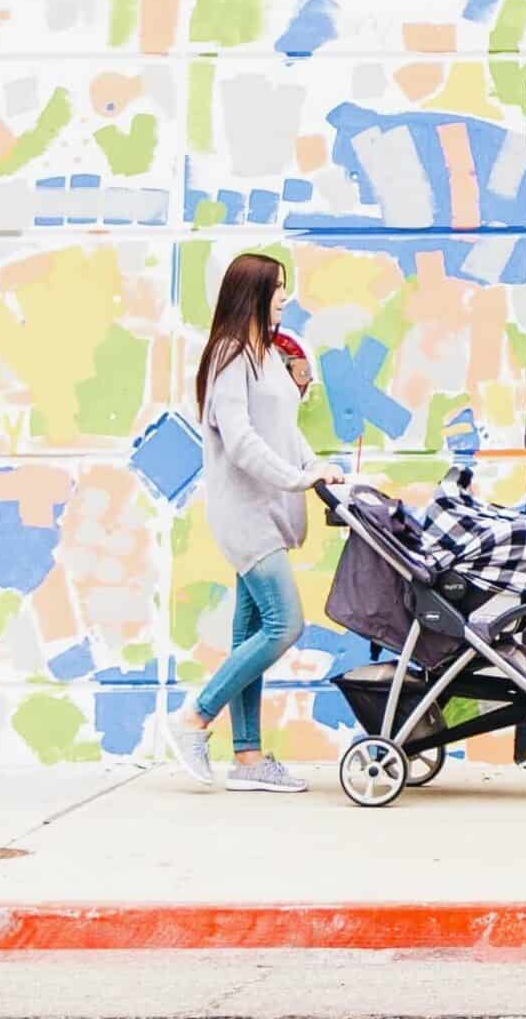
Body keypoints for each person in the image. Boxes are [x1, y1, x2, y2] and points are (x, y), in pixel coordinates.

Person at [169, 250, 336, 793]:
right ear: (255, 292)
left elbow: (284, 427)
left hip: (269, 509)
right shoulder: (229, 356)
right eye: (279, 288)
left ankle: (247, 758)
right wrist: (296, 479)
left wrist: (315, 468)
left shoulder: (265, 356)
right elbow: (240, 442)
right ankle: (196, 717)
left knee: (251, 631)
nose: (286, 297)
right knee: (285, 625)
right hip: (246, 513)